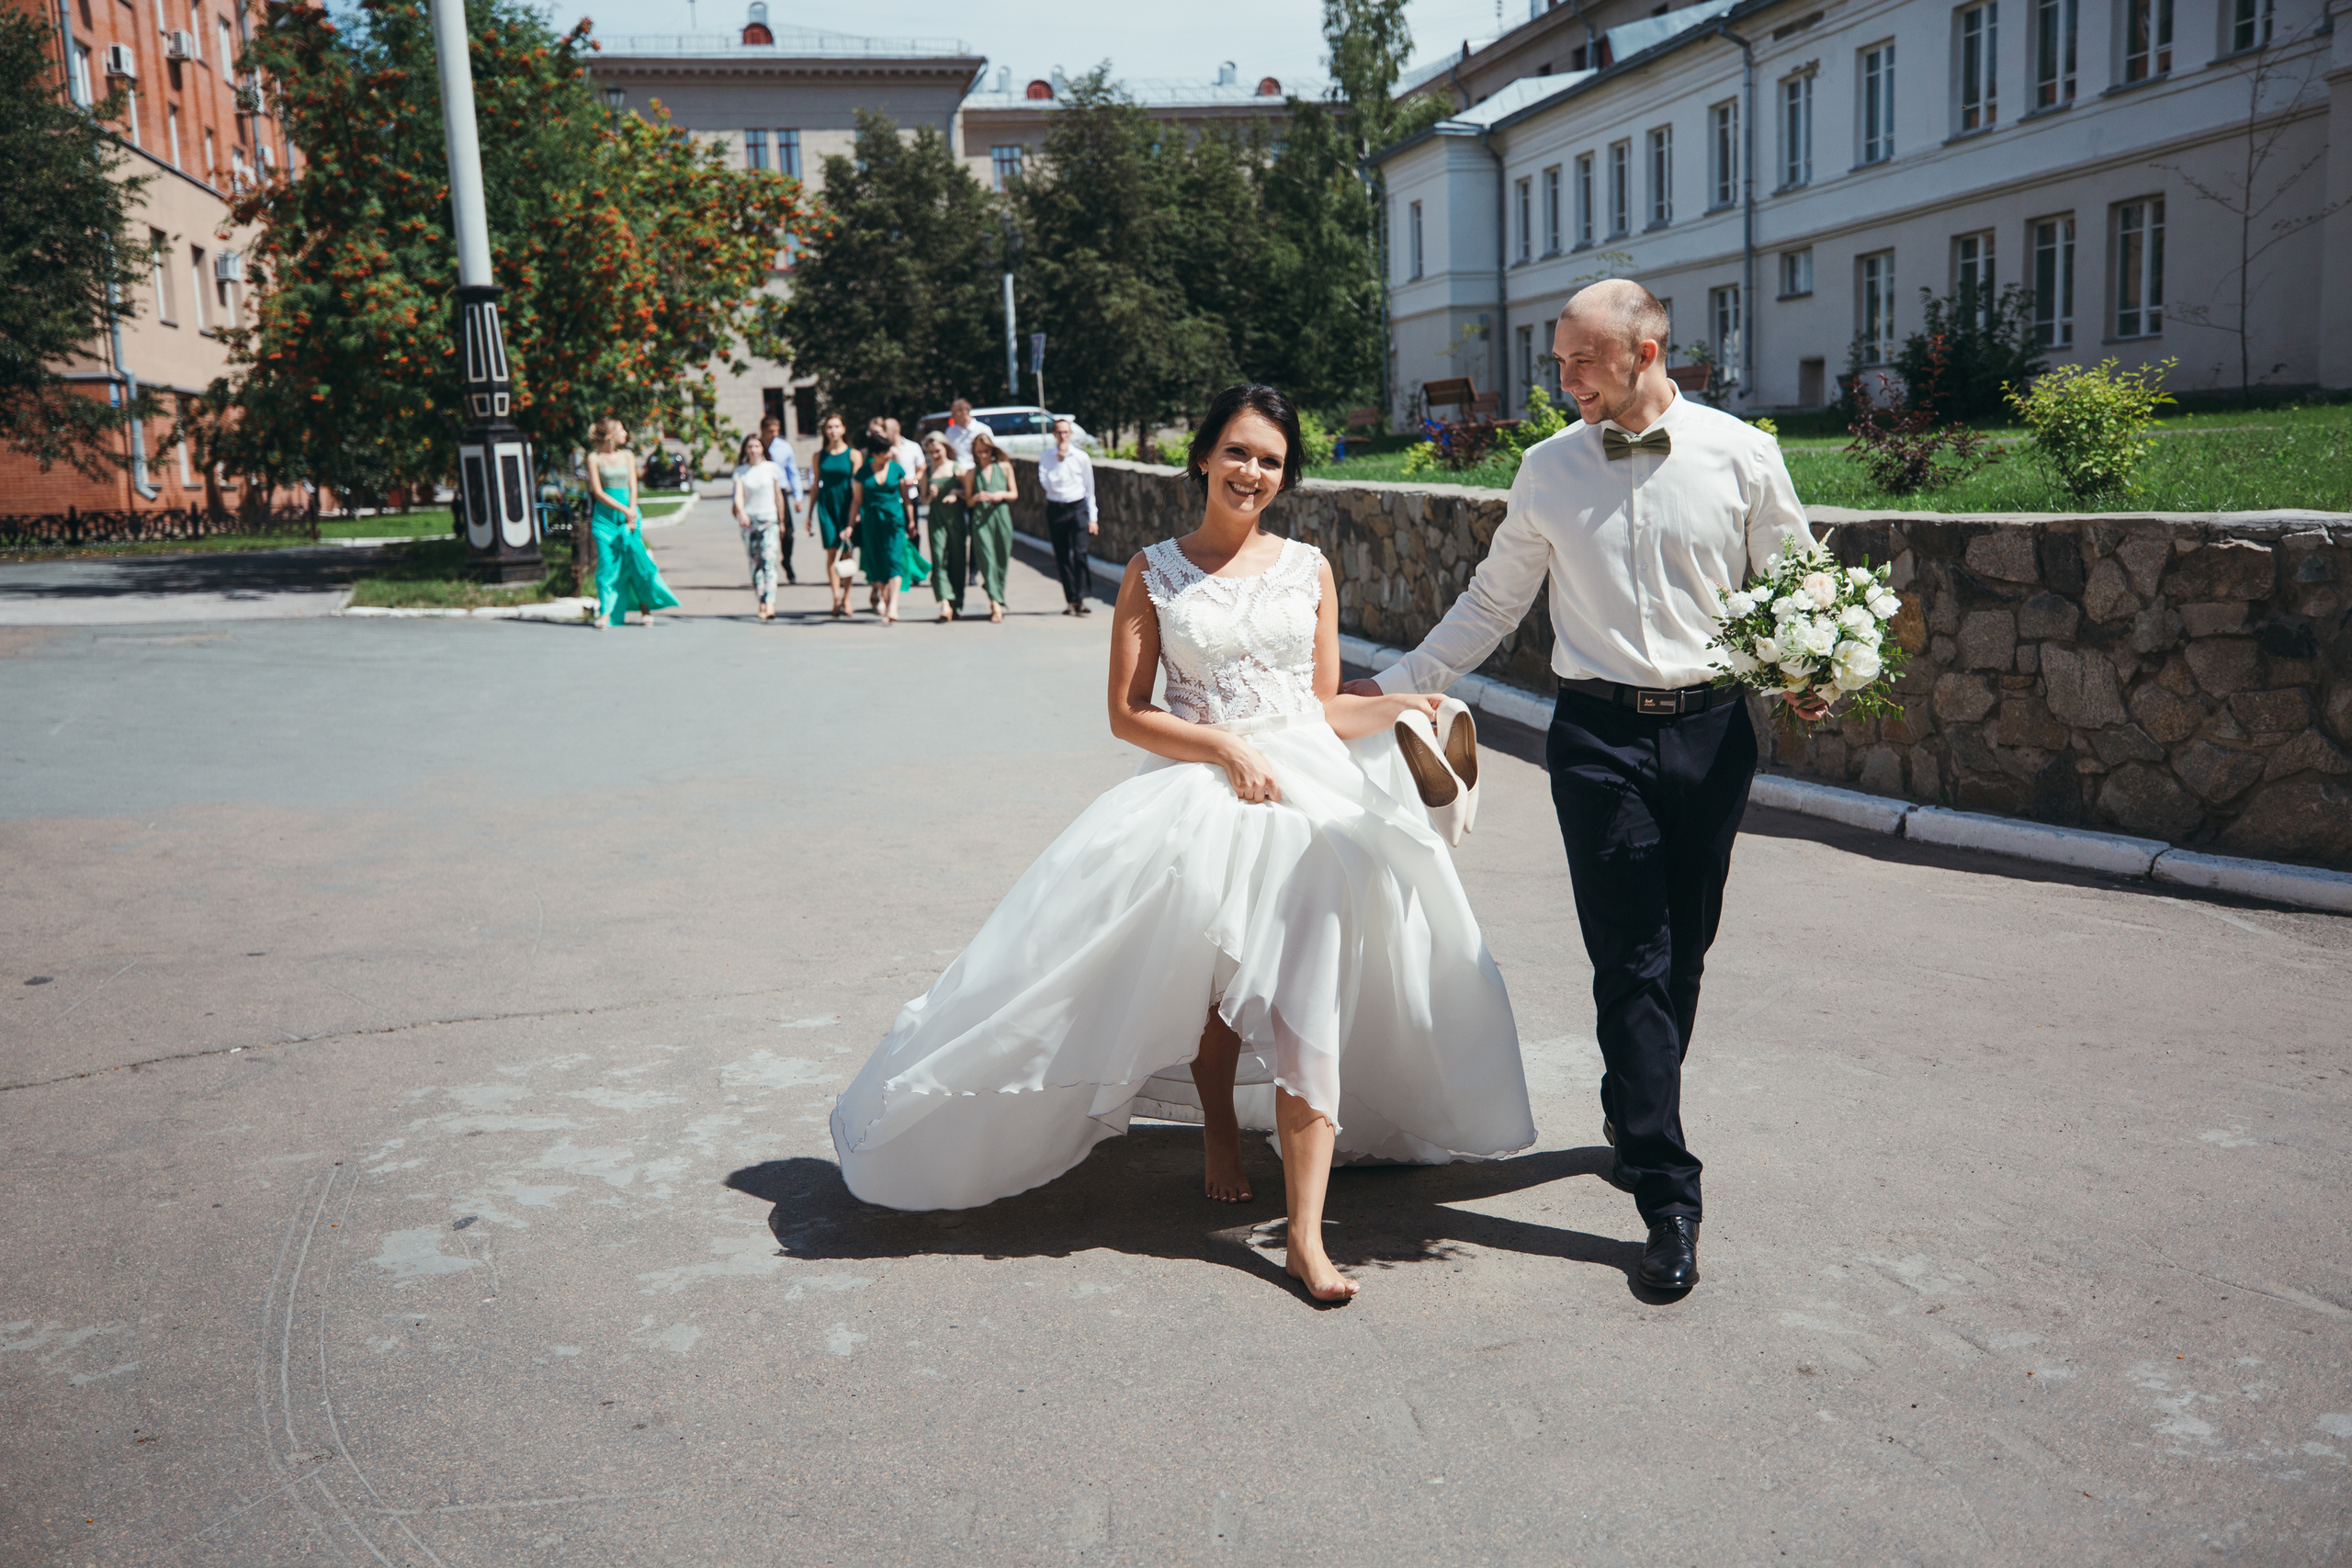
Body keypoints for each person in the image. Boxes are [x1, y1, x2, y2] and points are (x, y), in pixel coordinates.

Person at [831, 384, 1534, 1304]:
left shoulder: (1309, 567)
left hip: (1311, 792)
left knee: (1304, 989)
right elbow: (1128, 715)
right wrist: (1222, 746)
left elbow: (1323, 706)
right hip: (1199, 785)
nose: (1253, 473)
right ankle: (1213, 1123)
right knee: (1210, 974)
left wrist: (1403, 704)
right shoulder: (1151, 570)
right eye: (1239, 453)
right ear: (1202, 457)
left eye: (1271, 462)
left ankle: (1306, 1235)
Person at [1344, 279, 1821, 1295]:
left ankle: (1631, 1097)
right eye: (1558, 360)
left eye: (1580, 360)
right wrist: (1389, 689)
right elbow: (1492, 601)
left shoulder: (1742, 453)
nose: (1561, 380)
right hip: (1598, 738)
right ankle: (1665, 1190)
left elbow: (1792, 579)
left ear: (1647, 354)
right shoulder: (1546, 469)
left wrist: (1814, 671)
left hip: (1713, 729)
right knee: (1633, 958)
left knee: (1683, 947)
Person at [585, 418, 681, 629]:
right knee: (607, 566)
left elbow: (633, 486)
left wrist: (631, 513)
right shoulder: (594, 458)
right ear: (610, 435)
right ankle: (606, 612)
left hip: (630, 517)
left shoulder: (627, 455)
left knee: (635, 561)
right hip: (604, 521)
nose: (626, 433)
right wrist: (625, 510)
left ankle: (645, 608)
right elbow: (598, 492)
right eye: (621, 429)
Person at [850, 426, 922, 624]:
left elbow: (906, 498)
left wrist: (912, 520)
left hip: (894, 522)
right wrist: (850, 524)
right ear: (875, 454)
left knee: (894, 561)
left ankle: (893, 606)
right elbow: (857, 500)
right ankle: (884, 595)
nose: (889, 455)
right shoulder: (863, 473)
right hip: (872, 524)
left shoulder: (896, 469)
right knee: (878, 563)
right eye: (885, 452)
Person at [1038, 416, 1098, 615]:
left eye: (1066, 432)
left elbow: (1090, 489)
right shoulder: (1047, 457)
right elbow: (1048, 484)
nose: (1062, 436)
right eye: (1059, 432)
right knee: (1062, 556)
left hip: (1078, 507)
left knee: (1080, 553)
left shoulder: (1081, 457)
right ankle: (1071, 599)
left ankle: (1080, 598)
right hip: (1056, 508)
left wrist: (1093, 517)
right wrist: (1059, 462)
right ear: (1054, 434)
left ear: (1070, 434)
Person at [729, 433, 786, 621]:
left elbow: (778, 495)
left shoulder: (771, 468)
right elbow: (738, 495)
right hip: (749, 522)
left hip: (769, 520)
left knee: (769, 561)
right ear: (745, 450)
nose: (753, 450)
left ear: (763, 448)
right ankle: (761, 600)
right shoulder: (741, 471)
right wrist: (742, 512)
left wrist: (782, 519)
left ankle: (770, 603)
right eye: (750, 447)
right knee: (755, 563)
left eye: (757, 446)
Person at [963, 431, 1015, 625]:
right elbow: (968, 501)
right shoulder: (971, 473)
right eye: (979, 452)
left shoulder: (1004, 467)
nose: (983, 455)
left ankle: (996, 591)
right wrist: (976, 498)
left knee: (1002, 559)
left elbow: (1014, 493)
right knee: (987, 559)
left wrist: (1000, 494)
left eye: (986, 451)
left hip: (1001, 516)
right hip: (981, 519)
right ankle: (995, 603)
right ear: (974, 453)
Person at [810, 413, 858, 619]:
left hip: (847, 504)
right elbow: (815, 486)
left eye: (837, 426)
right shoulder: (819, 456)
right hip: (826, 505)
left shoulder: (853, 454)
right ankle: (835, 598)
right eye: (829, 427)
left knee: (846, 552)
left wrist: (856, 514)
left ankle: (847, 597)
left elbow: (858, 486)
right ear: (825, 431)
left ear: (843, 429)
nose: (833, 431)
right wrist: (808, 514)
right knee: (831, 551)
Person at [921, 433, 970, 622]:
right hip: (937, 519)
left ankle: (957, 601)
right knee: (939, 557)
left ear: (946, 448)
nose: (935, 456)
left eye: (938, 451)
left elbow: (969, 493)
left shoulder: (958, 468)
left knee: (957, 559)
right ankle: (945, 602)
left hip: (955, 519)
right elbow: (923, 501)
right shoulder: (928, 472)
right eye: (931, 452)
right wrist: (929, 496)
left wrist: (956, 492)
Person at [761, 415, 804, 585]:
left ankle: (787, 560)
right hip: (763, 494)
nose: (774, 434)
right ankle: (765, 567)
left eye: (777, 431)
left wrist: (798, 497)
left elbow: (792, 472)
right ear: (763, 430)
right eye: (771, 431)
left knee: (788, 533)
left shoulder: (784, 447)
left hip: (781, 493)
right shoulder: (756, 447)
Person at [940, 398, 993, 470]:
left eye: (954, 413)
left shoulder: (983, 430)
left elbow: (991, 453)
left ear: (963, 412)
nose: (952, 417)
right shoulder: (950, 431)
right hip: (957, 472)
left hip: (978, 470)